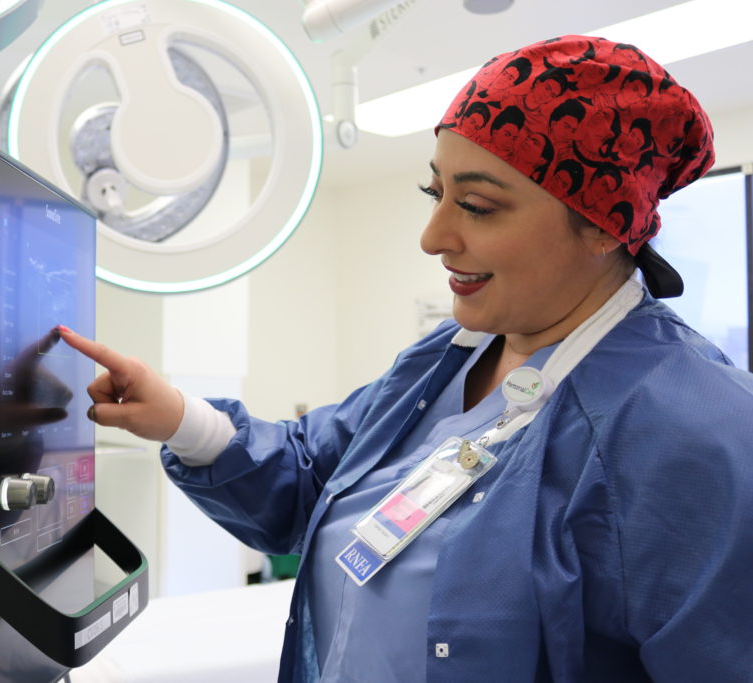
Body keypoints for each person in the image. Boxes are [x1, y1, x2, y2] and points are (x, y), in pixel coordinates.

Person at [59, 35, 753, 682]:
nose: (432, 236)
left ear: (604, 223)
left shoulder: (694, 433)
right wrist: (181, 418)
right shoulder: (445, 361)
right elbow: (311, 480)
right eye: (435, 192)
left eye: (477, 205)